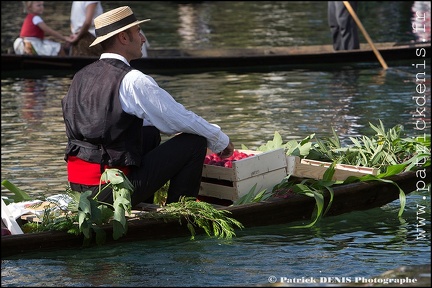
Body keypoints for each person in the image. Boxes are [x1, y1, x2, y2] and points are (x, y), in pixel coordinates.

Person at [61, 6, 234, 207]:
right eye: (138, 32)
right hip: (109, 189)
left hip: (79, 186)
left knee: (149, 132)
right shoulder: (132, 79)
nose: (143, 39)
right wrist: (219, 140)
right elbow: (179, 118)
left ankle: (142, 202)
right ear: (124, 38)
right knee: (194, 142)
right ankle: (180, 216)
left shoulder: (80, 76)